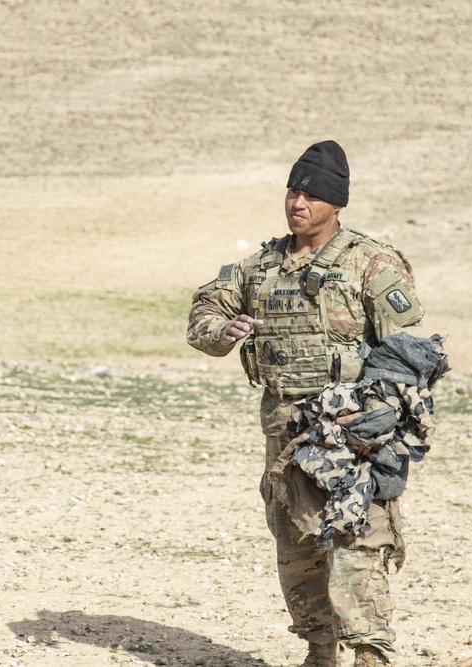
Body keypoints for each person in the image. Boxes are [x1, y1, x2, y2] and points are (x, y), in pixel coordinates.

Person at [186, 141, 427, 667]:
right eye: (294, 190)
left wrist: (376, 414)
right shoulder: (261, 266)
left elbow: (409, 350)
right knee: (296, 543)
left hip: (352, 432)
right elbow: (203, 310)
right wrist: (223, 331)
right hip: (285, 431)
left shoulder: (371, 262)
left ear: (336, 203)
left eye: (313, 194)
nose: (300, 202)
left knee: (359, 539)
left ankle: (370, 653)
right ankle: (319, 649)